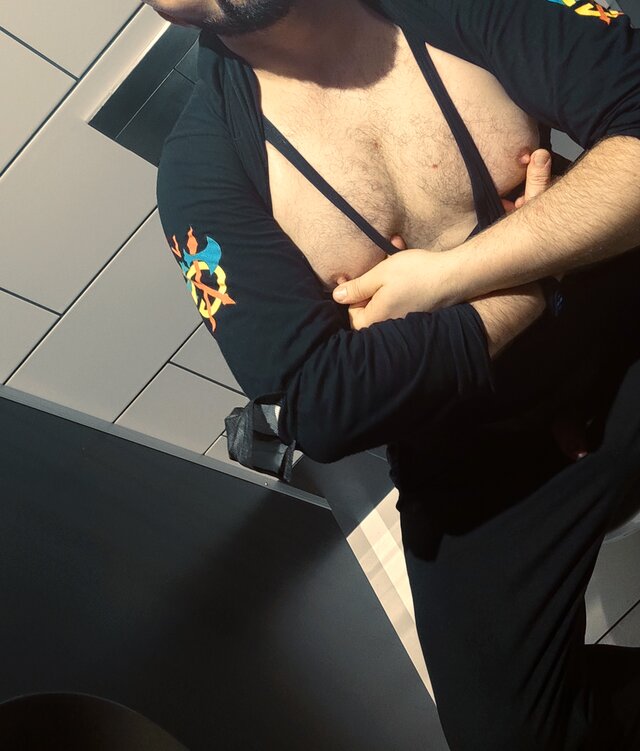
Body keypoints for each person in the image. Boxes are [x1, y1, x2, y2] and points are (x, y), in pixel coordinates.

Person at [147, 1, 640, 748]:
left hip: (617, 326)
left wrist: (452, 276)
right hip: (474, 454)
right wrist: (536, 279)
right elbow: (320, 402)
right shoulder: (198, 172)